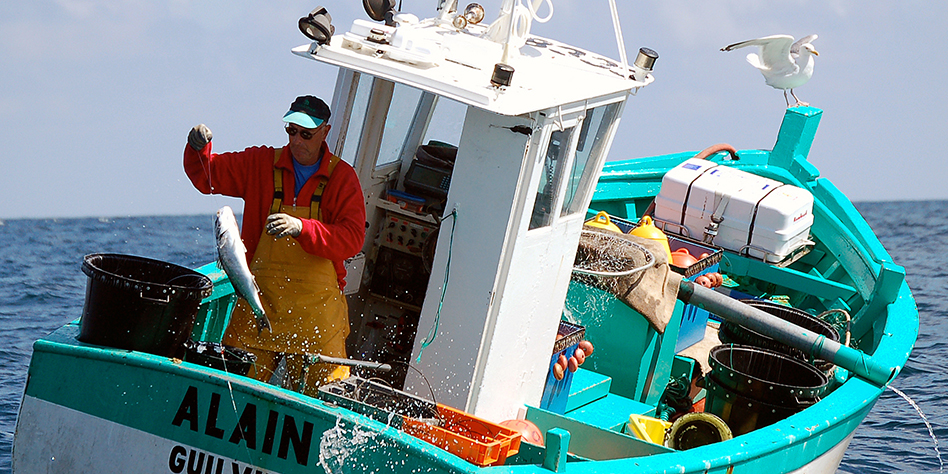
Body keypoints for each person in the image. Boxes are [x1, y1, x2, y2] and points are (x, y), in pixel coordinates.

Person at [184, 95, 366, 396]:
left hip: (317, 319)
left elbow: (351, 239)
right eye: (291, 131)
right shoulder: (260, 163)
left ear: (325, 132)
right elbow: (208, 177)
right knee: (230, 393)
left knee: (326, 404)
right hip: (260, 303)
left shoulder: (342, 178)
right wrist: (196, 149)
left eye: (306, 134)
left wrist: (302, 228)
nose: (297, 140)